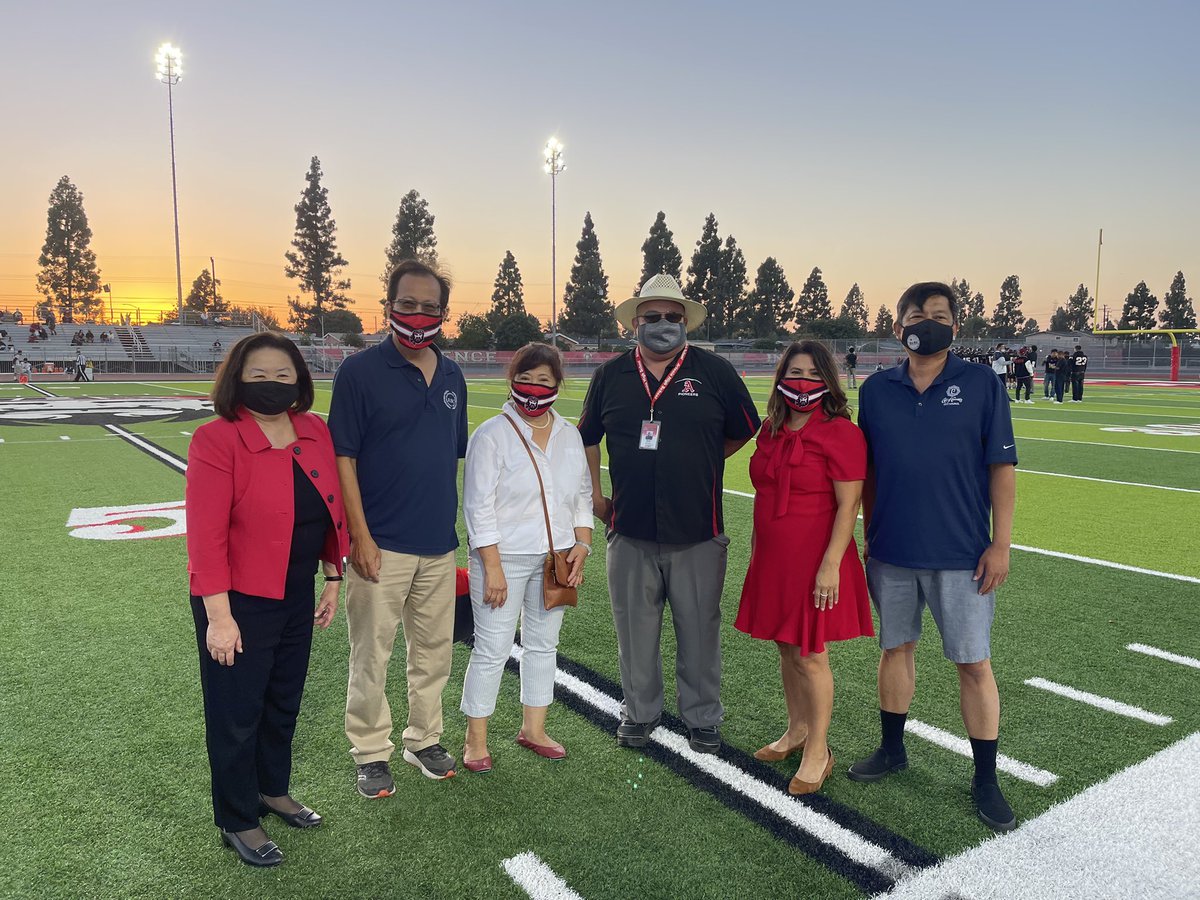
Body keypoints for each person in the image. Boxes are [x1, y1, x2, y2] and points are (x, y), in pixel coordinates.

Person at [849, 282, 1017, 833]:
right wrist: (870, 531)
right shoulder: (876, 391)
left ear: (956, 325)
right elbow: (867, 471)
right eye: (919, 315)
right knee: (895, 649)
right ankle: (893, 749)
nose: (929, 322)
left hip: (962, 553)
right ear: (898, 327)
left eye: (940, 315)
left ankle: (985, 778)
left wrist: (1000, 543)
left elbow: (1001, 469)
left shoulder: (983, 384)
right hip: (892, 550)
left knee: (973, 663)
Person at [579, 274, 761, 754]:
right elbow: (587, 437)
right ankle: (639, 713)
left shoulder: (715, 372)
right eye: (653, 317)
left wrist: (703, 457)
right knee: (634, 631)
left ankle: (702, 717)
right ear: (634, 323)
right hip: (630, 527)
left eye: (673, 317)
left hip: (698, 529)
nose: (663, 325)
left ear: (686, 323)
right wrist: (596, 498)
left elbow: (745, 428)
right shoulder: (611, 375)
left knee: (700, 631)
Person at [185, 332, 349, 867]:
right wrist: (219, 618)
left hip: (296, 590)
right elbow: (204, 535)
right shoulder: (217, 440)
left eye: (284, 375)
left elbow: (328, 507)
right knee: (236, 712)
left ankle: (272, 790)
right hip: (236, 601)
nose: (272, 384)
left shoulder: (313, 430)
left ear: (300, 381)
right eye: (258, 375)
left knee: (283, 700)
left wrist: (332, 576)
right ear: (237, 380)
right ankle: (238, 816)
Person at [329, 259, 468, 795]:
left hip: (437, 543)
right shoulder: (360, 372)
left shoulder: (452, 375)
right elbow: (345, 458)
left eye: (428, 306)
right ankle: (369, 749)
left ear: (443, 313)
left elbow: (450, 455)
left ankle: (423, 738)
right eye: (407, 303)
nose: (417, 314)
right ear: (388, 305)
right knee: (371, 655)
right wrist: (360, 537)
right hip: (380, 545)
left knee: (434, 654)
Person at [735, 341, 873, 796]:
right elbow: (764, 495)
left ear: (827, 381)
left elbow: (848, 504)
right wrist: (758, 555)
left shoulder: (841, 433)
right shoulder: (771, 429)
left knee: (811, 653)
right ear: (780, 378)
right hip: (773, 559)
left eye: (814, 375)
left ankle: (820, 749)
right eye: (794, 373)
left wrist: (831, 564)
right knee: (785, 647)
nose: (803, 383)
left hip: (816, 558)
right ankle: (795, 730)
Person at [460, 343, 593, 773]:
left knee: (543, 646)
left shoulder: (569, 435)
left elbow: (582, 496)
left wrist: (583, 545)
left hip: (554, 559)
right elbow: (478, 506)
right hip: (502, 559)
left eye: (544, 381)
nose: (534, 389)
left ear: (557, 386)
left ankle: (533, 729)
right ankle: (475, 739)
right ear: (512, 380)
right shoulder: (492, 433)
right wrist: (492, 567)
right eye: (527, 379)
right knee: (492, 649)